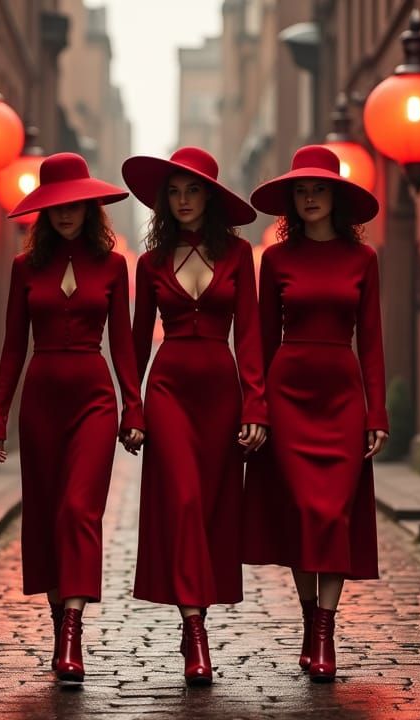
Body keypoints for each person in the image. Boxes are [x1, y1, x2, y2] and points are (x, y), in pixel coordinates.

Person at [0, 152, 145, 683]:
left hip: (94, 398)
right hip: (41, 401)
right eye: (56, 205)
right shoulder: (24, 268)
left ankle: (73, 633)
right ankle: (60, 629)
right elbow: (13, 346)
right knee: (51, 513)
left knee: (80, 509)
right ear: (44, 212)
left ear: (90, 205)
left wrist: (133, 408)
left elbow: (123, 343)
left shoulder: (114, 265)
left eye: (75, 203)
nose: (66, 213)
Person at [242, 145, 388, 682]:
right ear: (292, 202)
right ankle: (312, 623)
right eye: (301, 191)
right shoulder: (276, 260)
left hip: (344, 397)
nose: (309, 198)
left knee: (334, 513)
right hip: (289, 393)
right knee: (303, 511)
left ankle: (324, 631)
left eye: (318, 189)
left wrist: (378, 414)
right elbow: (258, 339)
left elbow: (371, 342)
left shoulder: (363, 261)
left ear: (336, 198)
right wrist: (255, 405)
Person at [122, 147, 267, 686]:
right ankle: (195, 631)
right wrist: (131, 408)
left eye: (193, 190)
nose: (183, 201)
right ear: (166, 202)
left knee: (210, 511)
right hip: (168, 390)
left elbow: (250, 335)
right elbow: (136, 344)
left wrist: (256, 405)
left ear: (210, 196)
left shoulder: (239, 255)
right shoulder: (151, 263)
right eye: (175, 192)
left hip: (222, 396)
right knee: (181, 501)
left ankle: (195, 618)